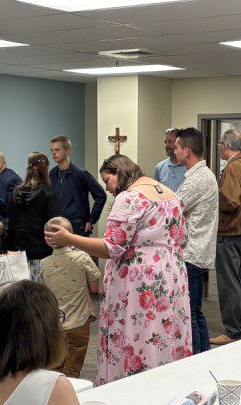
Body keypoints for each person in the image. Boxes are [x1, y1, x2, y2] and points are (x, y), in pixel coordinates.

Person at [46, 154, 191, 385]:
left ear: (119, 173)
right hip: (170, 273)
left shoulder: (130, 197)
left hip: (140, 278)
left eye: (107, 180)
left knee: (139, 331)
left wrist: (69, 238)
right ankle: (165, 383)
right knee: (164, 330)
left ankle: (134, 385)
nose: (107, 188)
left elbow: (111, 246)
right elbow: (182, 238)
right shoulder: (171, 195)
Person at [211, 129, 241, 346]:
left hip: (229, 231)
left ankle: (232, 331)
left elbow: (230, 201)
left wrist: (211, 203)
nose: (219, 147)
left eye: (220, 144)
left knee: (228, 282)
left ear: (224, 145)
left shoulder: (232, 168)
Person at [174, 127, 217, 354]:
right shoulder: (204, 175)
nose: (175, 150)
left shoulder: (196, 180)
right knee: (196, 312)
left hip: (191, 253)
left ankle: (196, 361)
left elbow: (172, 209)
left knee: (188, 315)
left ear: (187, 150)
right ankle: (205, 356)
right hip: (199, 252)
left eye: (177, 147)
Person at [40, 216, 99, 379]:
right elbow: (95, 289)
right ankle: (72, 398)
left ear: (47, 239)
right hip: (79, 322)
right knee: (73, 370)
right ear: (70, 235)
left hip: (55, 324)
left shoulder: (43, 264)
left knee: (56, 368)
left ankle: (57, 398)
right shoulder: (83, 257)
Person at [5, 152, 63, 277]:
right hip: (42, 253)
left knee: (21, 293)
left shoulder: (16, 193)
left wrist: (10, 250)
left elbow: (10, 224)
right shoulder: (49, 194)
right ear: (46, 169)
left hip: (18, 254)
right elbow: (55, 226)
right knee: (41, 294)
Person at [49, 136, 106, 237]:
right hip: (57, 224)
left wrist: (91, 220)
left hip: (77, 225)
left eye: (57, 150)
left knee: (79, 253)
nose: (53, 153)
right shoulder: (52, 174)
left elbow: (101, 195)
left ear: (67, 151)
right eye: (52, 150)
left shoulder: (80, 173)